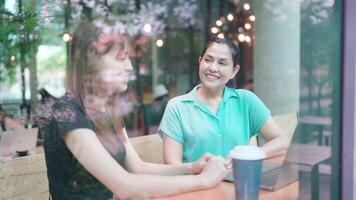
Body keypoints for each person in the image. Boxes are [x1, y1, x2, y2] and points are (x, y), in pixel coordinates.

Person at [37, 22, 230, 200]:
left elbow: (138, 168)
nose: (129, 67)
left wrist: (192, 168)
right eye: (121, 58)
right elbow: (124, 185)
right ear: (91, 62)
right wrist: (204, 180)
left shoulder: (107, 112)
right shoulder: (67, 113)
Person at [158, 38, 289, 164]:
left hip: (239, 182)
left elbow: (282, 141)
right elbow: (172, 165)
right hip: (197, 184)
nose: (213, 68)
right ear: (200, 62)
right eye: (208, 60)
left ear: (234, 71)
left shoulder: (246, 101)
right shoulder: (177, 107)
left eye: (222, 63)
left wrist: (250, 155)